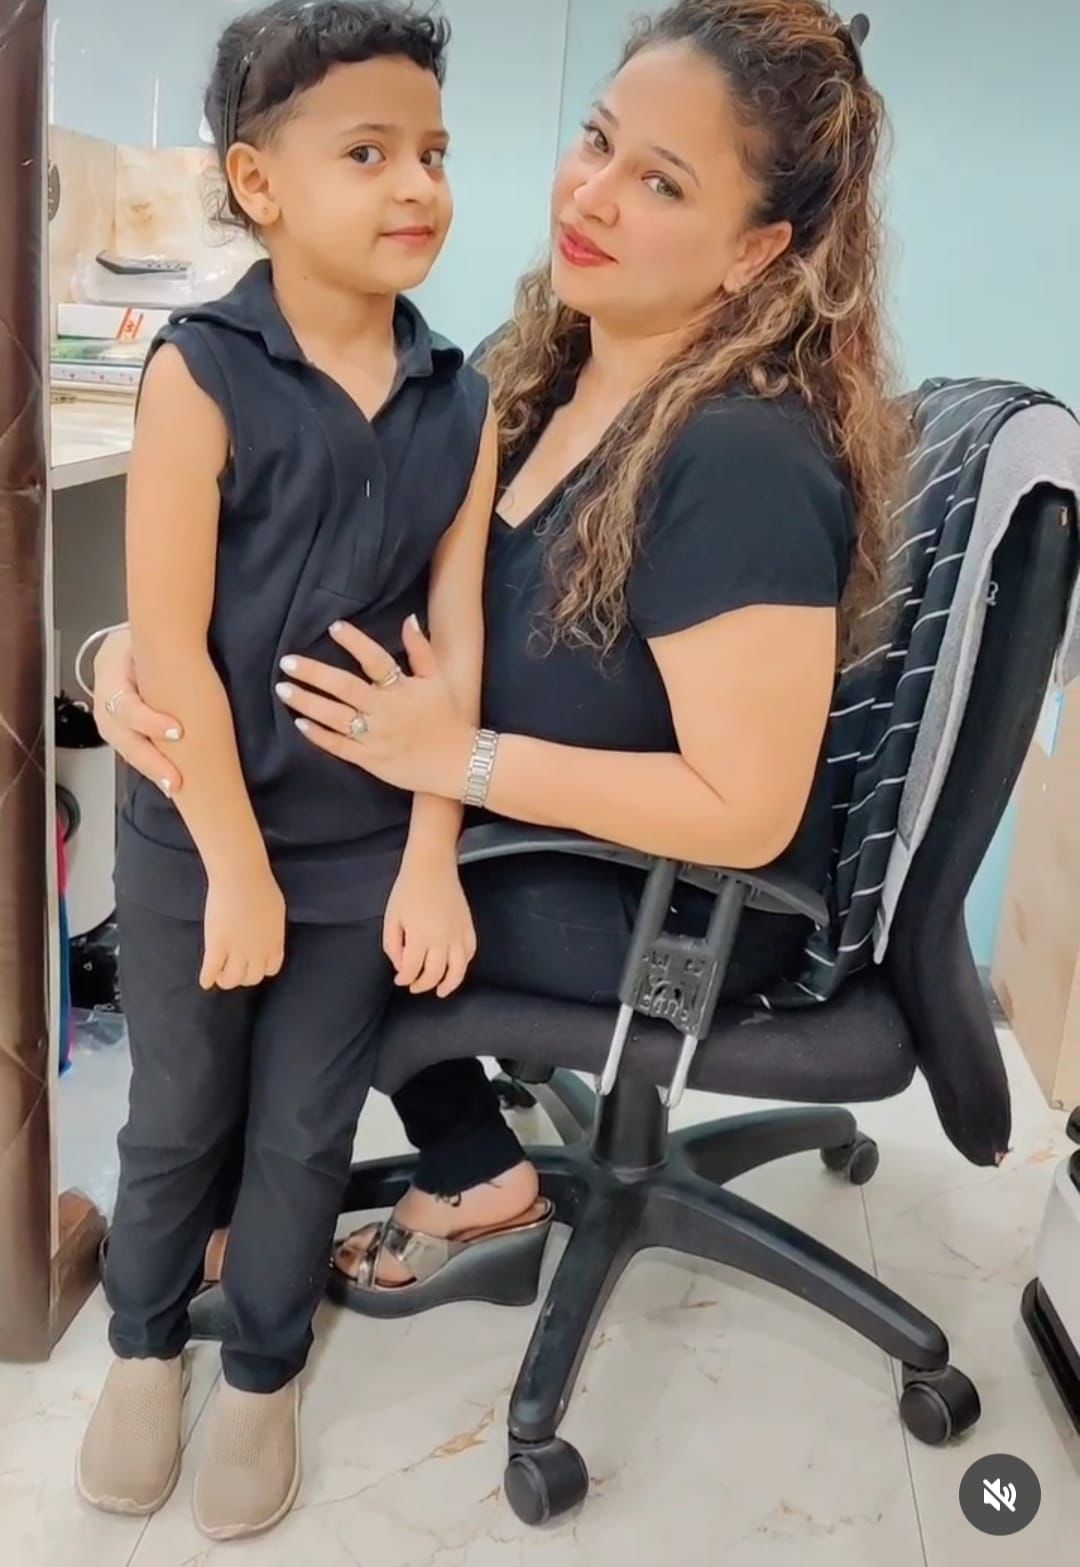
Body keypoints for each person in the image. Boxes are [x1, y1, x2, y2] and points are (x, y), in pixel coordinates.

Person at [92, 0, 904, 1422]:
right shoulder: (544, 378)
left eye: (665, 183)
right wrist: (129, 657)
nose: (592, 196)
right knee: (293, 859)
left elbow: (748, 809)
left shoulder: (740, 460)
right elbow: (349, 596)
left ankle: (288, 1210)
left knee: (317, 911)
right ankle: (417, 1172)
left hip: (671, 907)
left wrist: (455, 758)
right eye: (598, 142)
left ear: (756, 249)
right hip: (510, 823)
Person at [75, 0, 542, 1542]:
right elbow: (167, 641)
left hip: (359, 852)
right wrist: (232, 864)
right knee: (180, 1121)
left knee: (302, 1133)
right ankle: (144, 1350)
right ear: (260, 184)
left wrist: (430, 855)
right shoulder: (199, 373)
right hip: (197, 840)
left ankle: (263, 1373)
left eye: (434, 152)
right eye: (368, 152)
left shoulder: (461, 399)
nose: (417, 184)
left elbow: (457, 645)